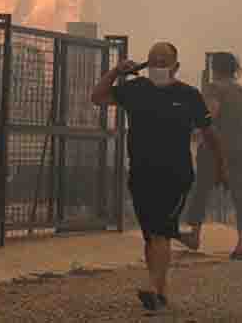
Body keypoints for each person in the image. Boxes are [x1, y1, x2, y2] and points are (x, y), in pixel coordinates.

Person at [91, 42, 218, 312]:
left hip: (176, 175)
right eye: (153, 61)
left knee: (159, 232)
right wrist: (116, 71)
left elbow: (209, 133)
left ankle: (151, 285)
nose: (158, 65)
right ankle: (160, 293)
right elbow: (98, 97)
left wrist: (219, 166)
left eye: (164, 61)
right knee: (152, 236)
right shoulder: (135, 90)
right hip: (141, 174)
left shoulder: (189, 95)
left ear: (176, 66)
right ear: (145, 65)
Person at [181, 52, 242, 260]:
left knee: (201, 190)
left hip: (217, 148)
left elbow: (210, 114)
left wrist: (194, 130)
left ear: (215, 69)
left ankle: (195, 236)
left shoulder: (214, 88)